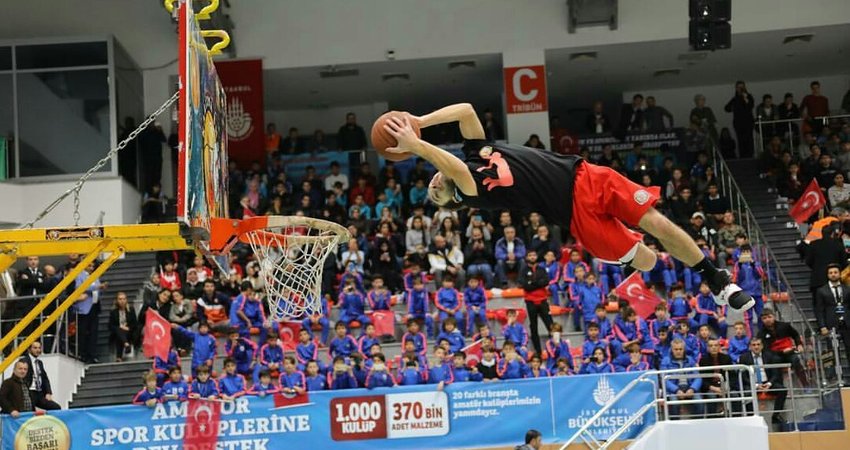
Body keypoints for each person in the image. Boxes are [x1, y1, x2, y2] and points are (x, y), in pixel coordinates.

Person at [381, 103, 754, 312]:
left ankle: (716, 279)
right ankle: (629, 254)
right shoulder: (472, 189)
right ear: (454, 202)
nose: (432, 186)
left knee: (657, 221)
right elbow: (453, 169)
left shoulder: (475, 149)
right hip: (575, 216)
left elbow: (465, 110)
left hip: (586, 175)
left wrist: (419, 122)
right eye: (434, 196)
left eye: (431, 185)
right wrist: (415, 145)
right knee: (648, 261)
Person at [737, 338, 787, 425]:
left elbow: (775, 373)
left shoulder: (770, 355)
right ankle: (751, 418)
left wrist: (769, 383)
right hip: (752, 383)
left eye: (758, 344)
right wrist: (756, 385)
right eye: (754, 345)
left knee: (782, 390)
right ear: (750, 347)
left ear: (762, 346)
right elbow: (744, 377)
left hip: (767, 382)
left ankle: (776, 416)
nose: (756, 347)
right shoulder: (744, 357)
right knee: (747, 393)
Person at [814, 264, 850, 370]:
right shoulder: (821, 291)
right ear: (827, 275)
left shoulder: (847, 289)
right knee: (833, 352)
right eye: (831, 273)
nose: (833, 275)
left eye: (835, 272)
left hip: (847, 323)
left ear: (839, 274)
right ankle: (836, 377)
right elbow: (819, 310)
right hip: (831, 325)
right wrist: (822, 326)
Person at [19, 342, 60, 411]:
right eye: (35, 348)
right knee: (31, 411)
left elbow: (45, 379)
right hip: (29, 393)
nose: (38, 350)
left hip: (39, 393)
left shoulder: (39, 362)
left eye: (39, 348)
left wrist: (48, 393)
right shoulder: (23, 361)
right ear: (29, 349)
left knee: (56, 407)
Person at [724, 81, 755, 158]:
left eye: (742, 87)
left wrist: (745, 98)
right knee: (741, 140)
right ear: (736, 88)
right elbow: (726, 108)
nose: (740, 89)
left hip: (748, 122)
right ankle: (743, 156)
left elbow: (750, 106)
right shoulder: (735, 99)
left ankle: (750, 155)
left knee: (749, 140)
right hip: (738, 123)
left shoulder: (749, 96)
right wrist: (733, 108)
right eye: (739, 87)